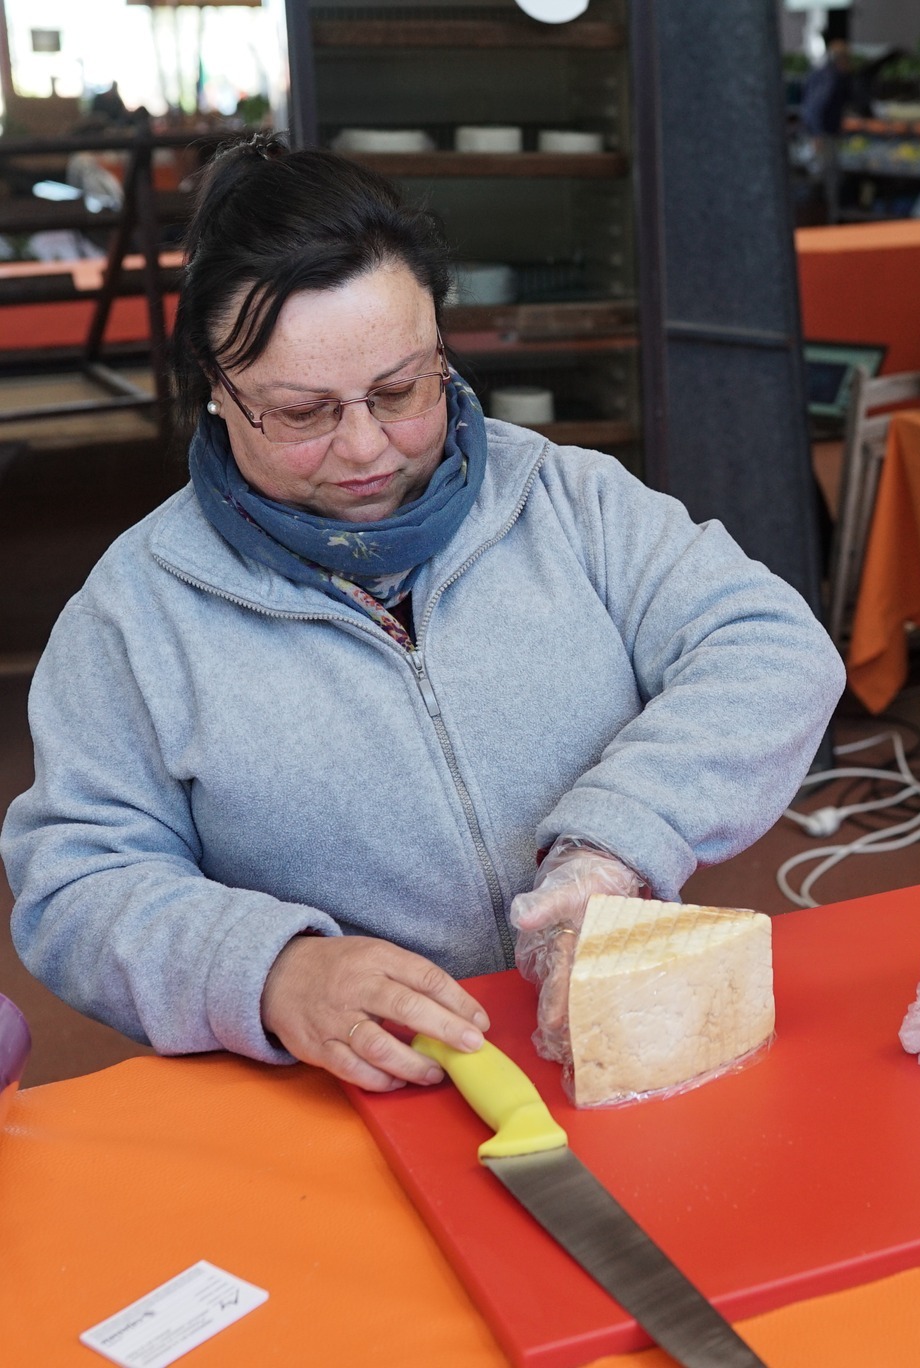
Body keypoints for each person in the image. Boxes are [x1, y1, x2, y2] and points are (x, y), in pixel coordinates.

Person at [1, 136, 844, 1094]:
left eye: (401, 390)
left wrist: (615, 845)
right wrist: (273, 972)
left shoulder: (566, 501)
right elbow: (77, 884)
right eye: (303, 412)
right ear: (216, 391)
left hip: (597, 1040)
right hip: (338, 1092)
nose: (365, 448)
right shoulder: (136, 613)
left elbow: (772, 647)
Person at [800, 39, 854, 224]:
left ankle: (826, 218)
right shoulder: (830, 79)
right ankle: (829, 220)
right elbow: (814, 108)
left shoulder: (821, 74)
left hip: (821, 133)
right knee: (828, 179)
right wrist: (816, 133)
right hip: (823, 136)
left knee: (826, 178)